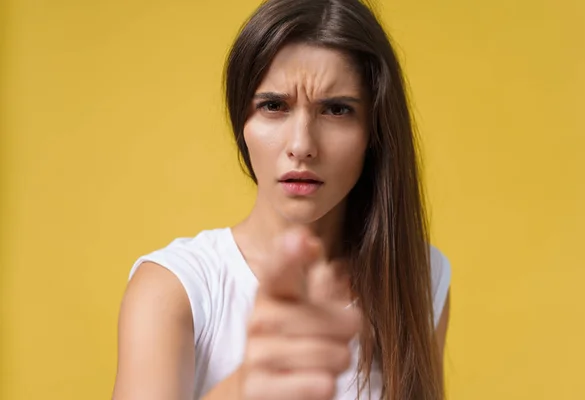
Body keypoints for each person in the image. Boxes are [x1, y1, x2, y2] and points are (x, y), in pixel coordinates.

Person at [112, 0, 451, 399]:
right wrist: (246, 387)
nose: (301, 145)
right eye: (273, 106)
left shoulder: (420, 275)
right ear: (242, 123)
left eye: (336, 110)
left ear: (373, 133)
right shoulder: (174, 288)